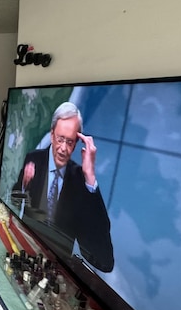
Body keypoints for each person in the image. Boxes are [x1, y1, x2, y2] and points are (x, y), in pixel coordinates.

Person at [13, 102, 114, 272]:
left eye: (70, 142)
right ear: (52, 135)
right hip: (24, 250)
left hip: (55, 270)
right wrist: (23, 185)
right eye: (60, 139)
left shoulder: (81, 182)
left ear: (76, 144)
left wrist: (90, 177)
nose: (63, 149)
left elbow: (104, 262)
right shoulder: (33, 159)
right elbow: (14, 199)